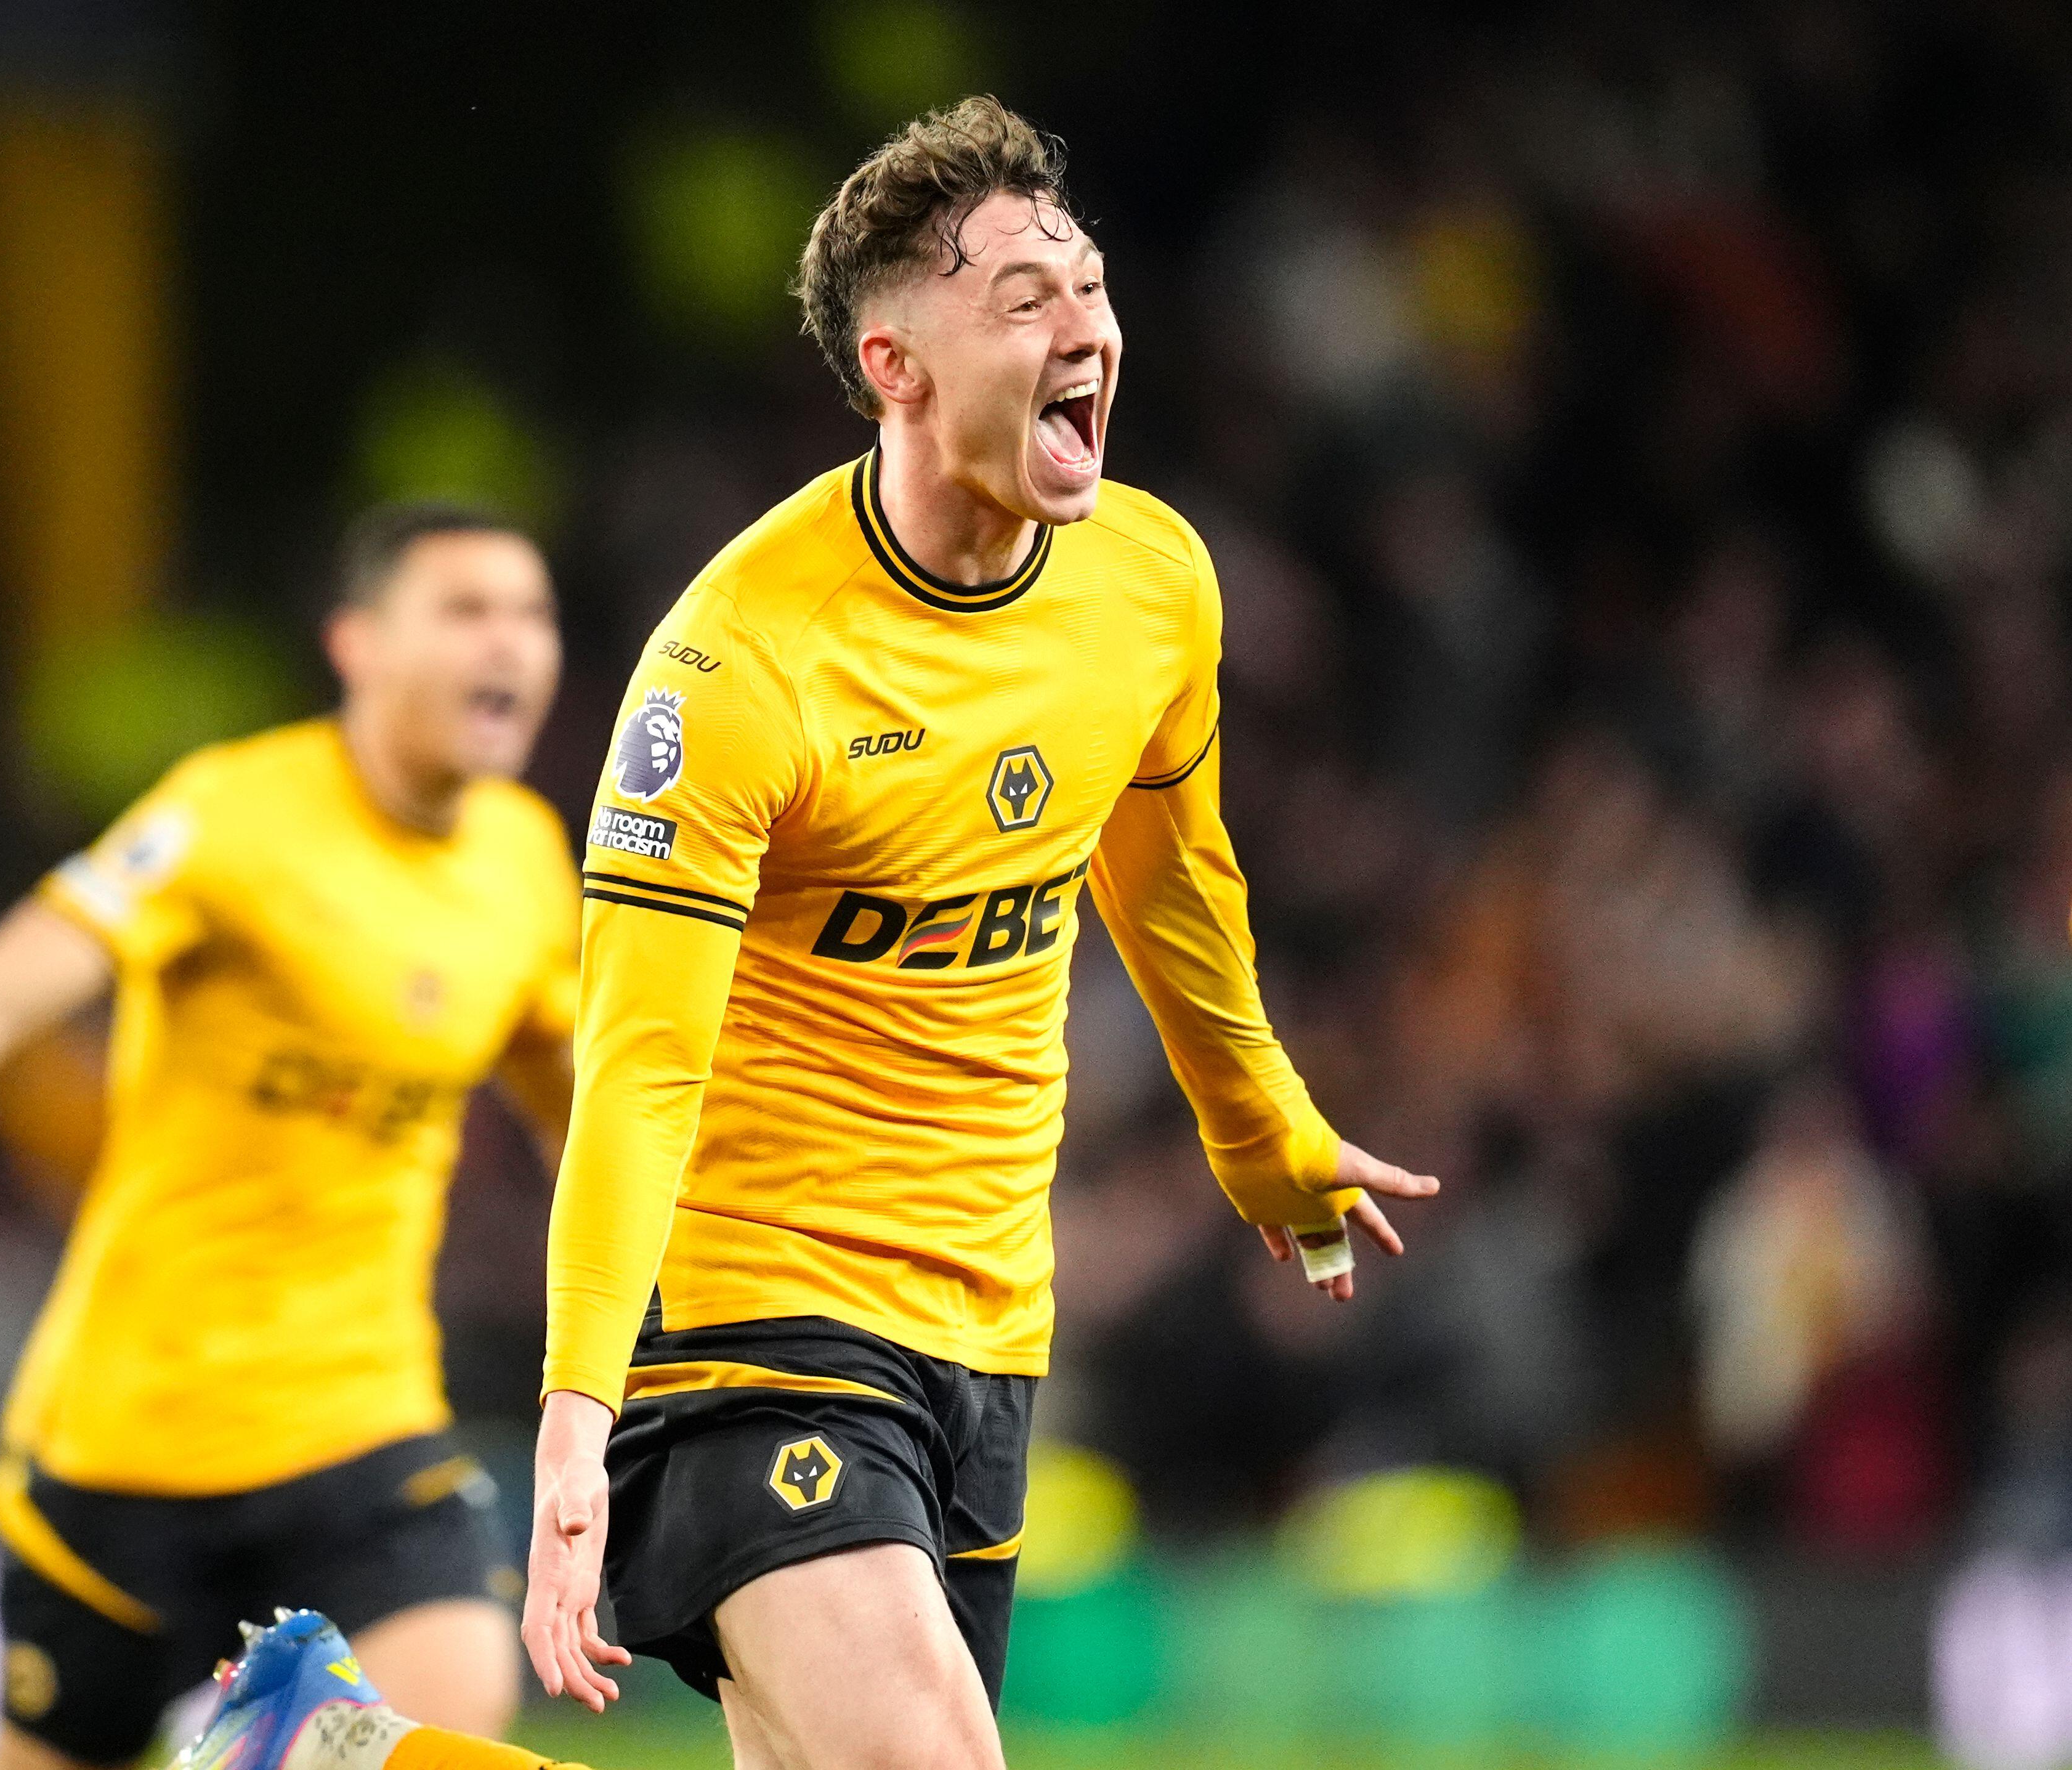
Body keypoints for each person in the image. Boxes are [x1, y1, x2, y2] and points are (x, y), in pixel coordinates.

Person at [516, 95, 1442, 1770]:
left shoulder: (1150, 586)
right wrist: (575, 1414)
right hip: (752, 1330)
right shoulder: (737, 667)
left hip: (987, 1333)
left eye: (1084, 286)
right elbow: (638, 1064)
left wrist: (1262, 1138)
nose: (1083, 325)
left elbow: (1171, 888)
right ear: (897, 369)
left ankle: (337, 1753)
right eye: (1024, 302)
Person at [0, 507, 575, 1770]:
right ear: (357, 643)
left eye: (531, 613)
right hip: (136, 1447)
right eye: (464, 611)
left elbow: (584, 1104)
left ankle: (267, 1742)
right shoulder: (233, 820)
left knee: (430, 1746)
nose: (508, 642)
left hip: (367, 1428)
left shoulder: (526, 861)